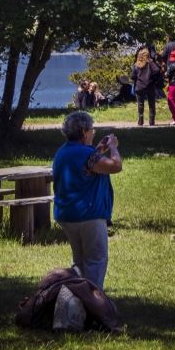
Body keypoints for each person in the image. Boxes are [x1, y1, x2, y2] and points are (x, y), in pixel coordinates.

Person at [52, 111, 122, 292]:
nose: (93, 133)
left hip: (67, 215)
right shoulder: (86, 154)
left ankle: (75, 299)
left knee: (80, 261)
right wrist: (114, 147)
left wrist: (98, 149)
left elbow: (86, 166)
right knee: (96, 261)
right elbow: (115, 166)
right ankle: (93, 301)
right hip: (89, 216)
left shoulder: (63, 152)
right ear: (84, 131)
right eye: (92, 130)